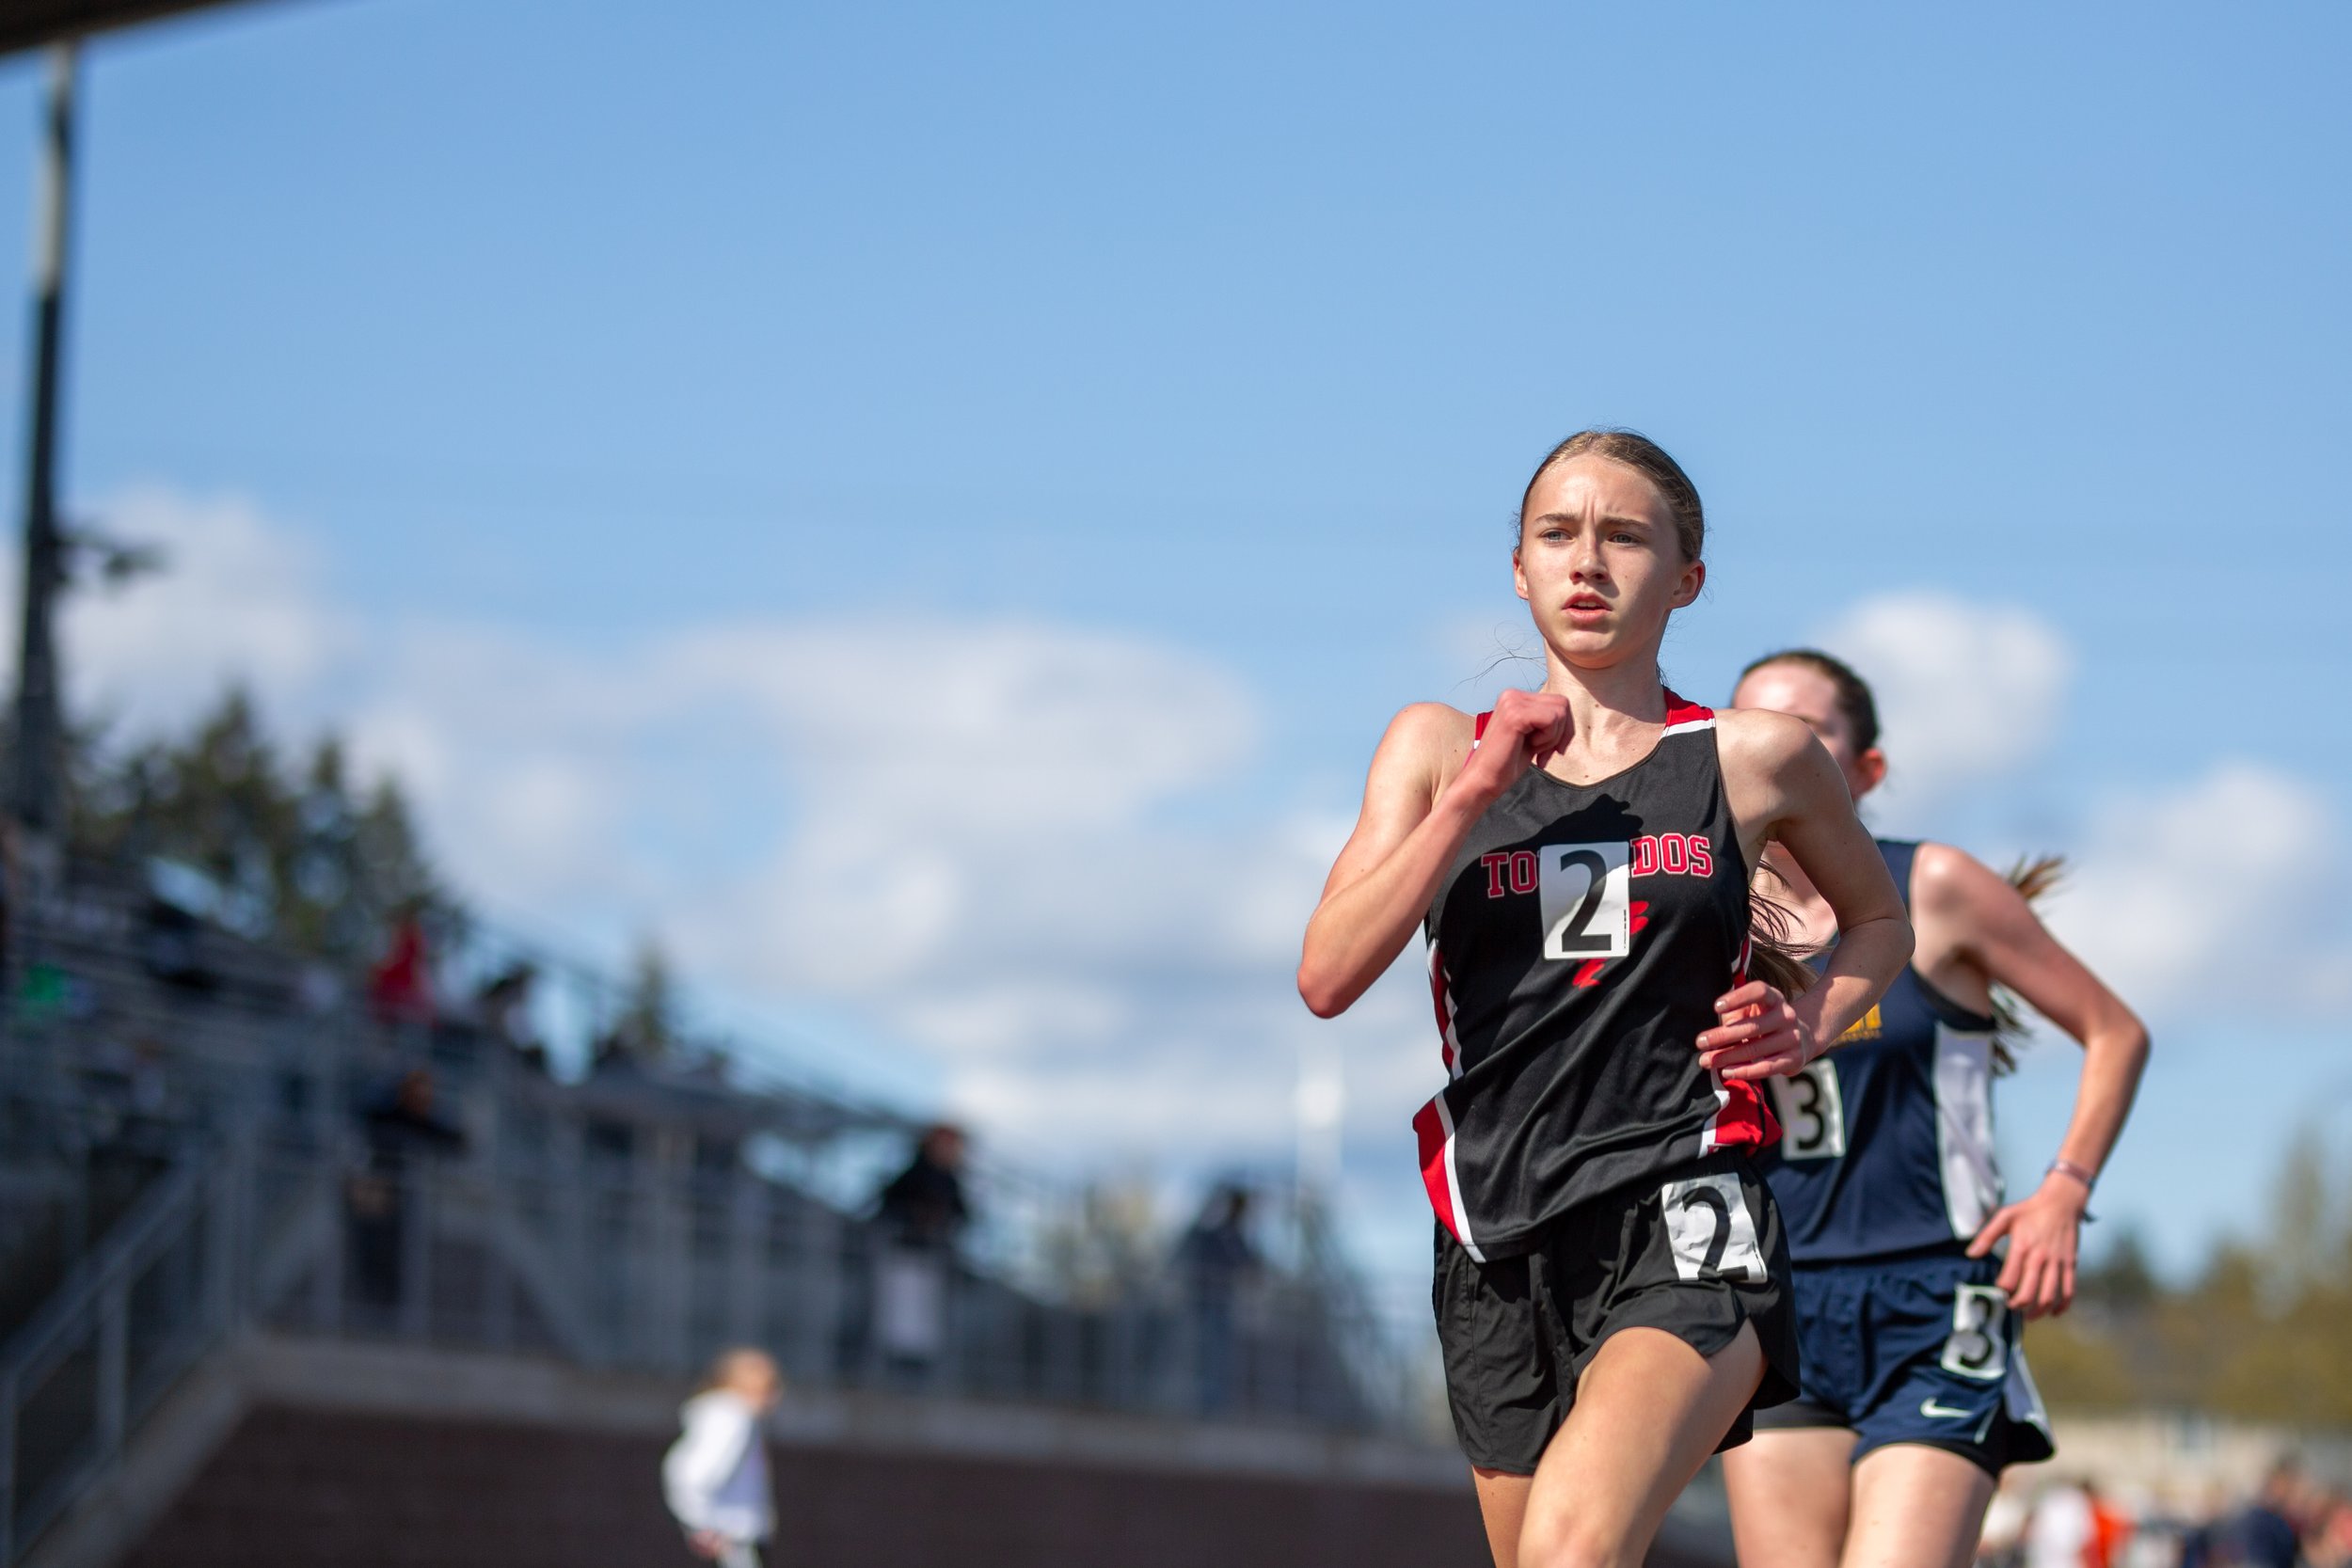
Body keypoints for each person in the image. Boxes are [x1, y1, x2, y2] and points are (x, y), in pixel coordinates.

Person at [1296, 430, 1912, 1568]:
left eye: (1624, 536)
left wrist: (1814, 1020)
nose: (1587, 561)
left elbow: (1882, 922)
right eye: (1557, 534)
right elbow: (1327, 975)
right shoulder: (1437, 748)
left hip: (1684, 1199)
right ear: (1518, 568)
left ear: (1685, 579)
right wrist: (1471, 795)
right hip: (1495, 1225)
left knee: (1572, 1551)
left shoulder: (1754, 757)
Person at [1719, 650, 2152, 1568]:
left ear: (1866, 770)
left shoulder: (1935, 888)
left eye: (1810, 732)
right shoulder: (1704, 909)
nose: (1779, 749)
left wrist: (2063, 1191)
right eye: (1755, 726)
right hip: (1775, 1298)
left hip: (1935, 1297)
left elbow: (2115, 1031)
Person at [662, 1347, 781, 1568]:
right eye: (770, 1386)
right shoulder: (733, 1419)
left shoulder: (733, 1418)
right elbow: (689, 1475)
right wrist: (703, 1525)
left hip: (735, 1534)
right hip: (734, 1537)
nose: (776, 1396)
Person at [1176, 1182, 1262, 1415]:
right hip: (1204, 1304)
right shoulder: (1212, 1234)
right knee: (1204, 1354)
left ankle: (1212, 1405)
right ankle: (1204, 1405)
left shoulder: (1234, 1238)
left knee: (1217, 1355)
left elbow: (1251, 1265)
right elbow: (1185, 1252)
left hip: (1220, 1306)